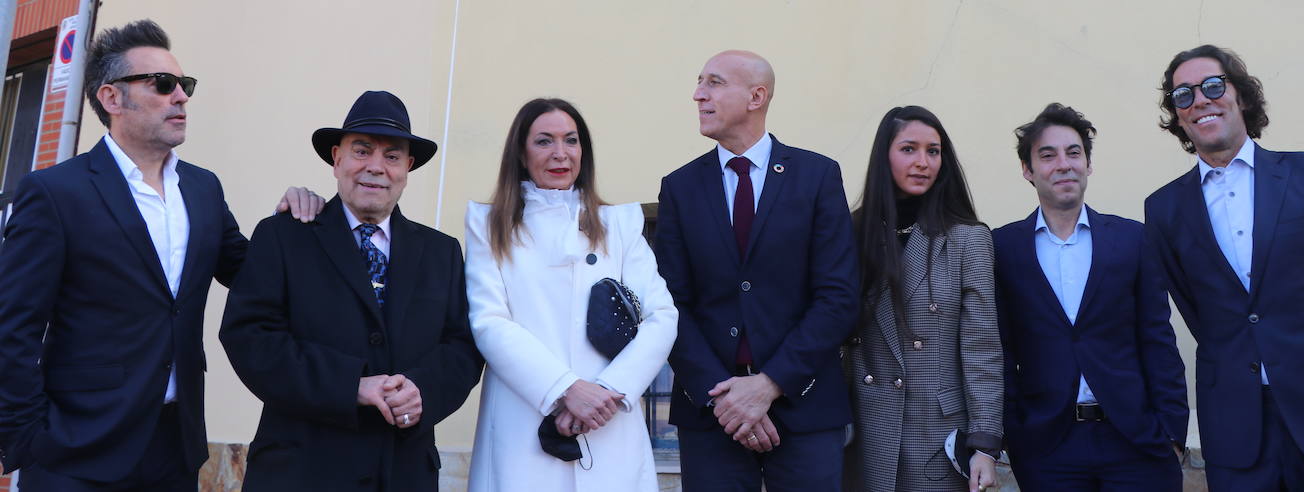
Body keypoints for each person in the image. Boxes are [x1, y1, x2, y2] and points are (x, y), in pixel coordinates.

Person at [0, 19, 321, 490]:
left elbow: (251, 273)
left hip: (176, 446)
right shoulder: (55, 193)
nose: (181, 97)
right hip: (78, 448)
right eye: (164, 84)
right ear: (112, 98)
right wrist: (28, 437)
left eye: (184, 85)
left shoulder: (203, 188)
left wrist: (294, 223)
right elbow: (12, 325)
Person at [219, 90, 482, 491]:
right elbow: (251, 338)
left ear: (407, 168)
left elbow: (462, 347)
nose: (376, 167)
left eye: (392, 156)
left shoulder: (441, 252)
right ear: (336, 159)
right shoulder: (283, 236)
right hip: (300, 473)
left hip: (403, 473)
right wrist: (351, 386)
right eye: (362, 151)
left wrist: (422, 391)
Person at [1144, 45, 1304, 490]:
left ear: (1242, 97)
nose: (1200, 100)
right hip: (1237, 428)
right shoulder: (1164, 209)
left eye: (1213, 86)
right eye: (1183, 95)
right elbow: (1200, 314)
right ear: (1178, 116)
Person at [656, 50, 860, 492]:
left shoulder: (817, 176)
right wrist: (727, 400)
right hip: (711, 414)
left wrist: (769, 385)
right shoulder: (680, 188)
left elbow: (839, 297)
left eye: (713, 83)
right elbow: (670, 304)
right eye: (699, 83)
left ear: (756, 96)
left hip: (804, 407)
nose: (698, 95)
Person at [464, 97, 677, 491]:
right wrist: (564, 389)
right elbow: (489, 322)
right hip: (522, 428)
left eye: (571, 140)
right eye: (544, 141)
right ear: (521, 154)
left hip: (610, 426)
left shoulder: (620, 224)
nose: (561, 154)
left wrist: (609, 392)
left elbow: (662, 316)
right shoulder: (488, 225)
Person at [994, 103, 1187, 491]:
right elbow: (999, 349)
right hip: (1047, 448)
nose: (1063, 164)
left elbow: (1157, 338)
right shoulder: (1001, 247)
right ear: (1028, 171)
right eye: (1047, 156)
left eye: (1073, 152)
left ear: (1088, 164)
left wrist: (1172, 430)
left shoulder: (1132, 239)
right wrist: (1015, 431)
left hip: (1136, 441)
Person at [845, 106, 1001, 492]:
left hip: (937, 433)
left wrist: (984, 443)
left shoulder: (967, 238)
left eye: (933, 151)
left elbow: (982, 348)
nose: (923, 162)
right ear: (885, 156)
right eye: (909, 149)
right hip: (864, 429)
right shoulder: (851, 232)